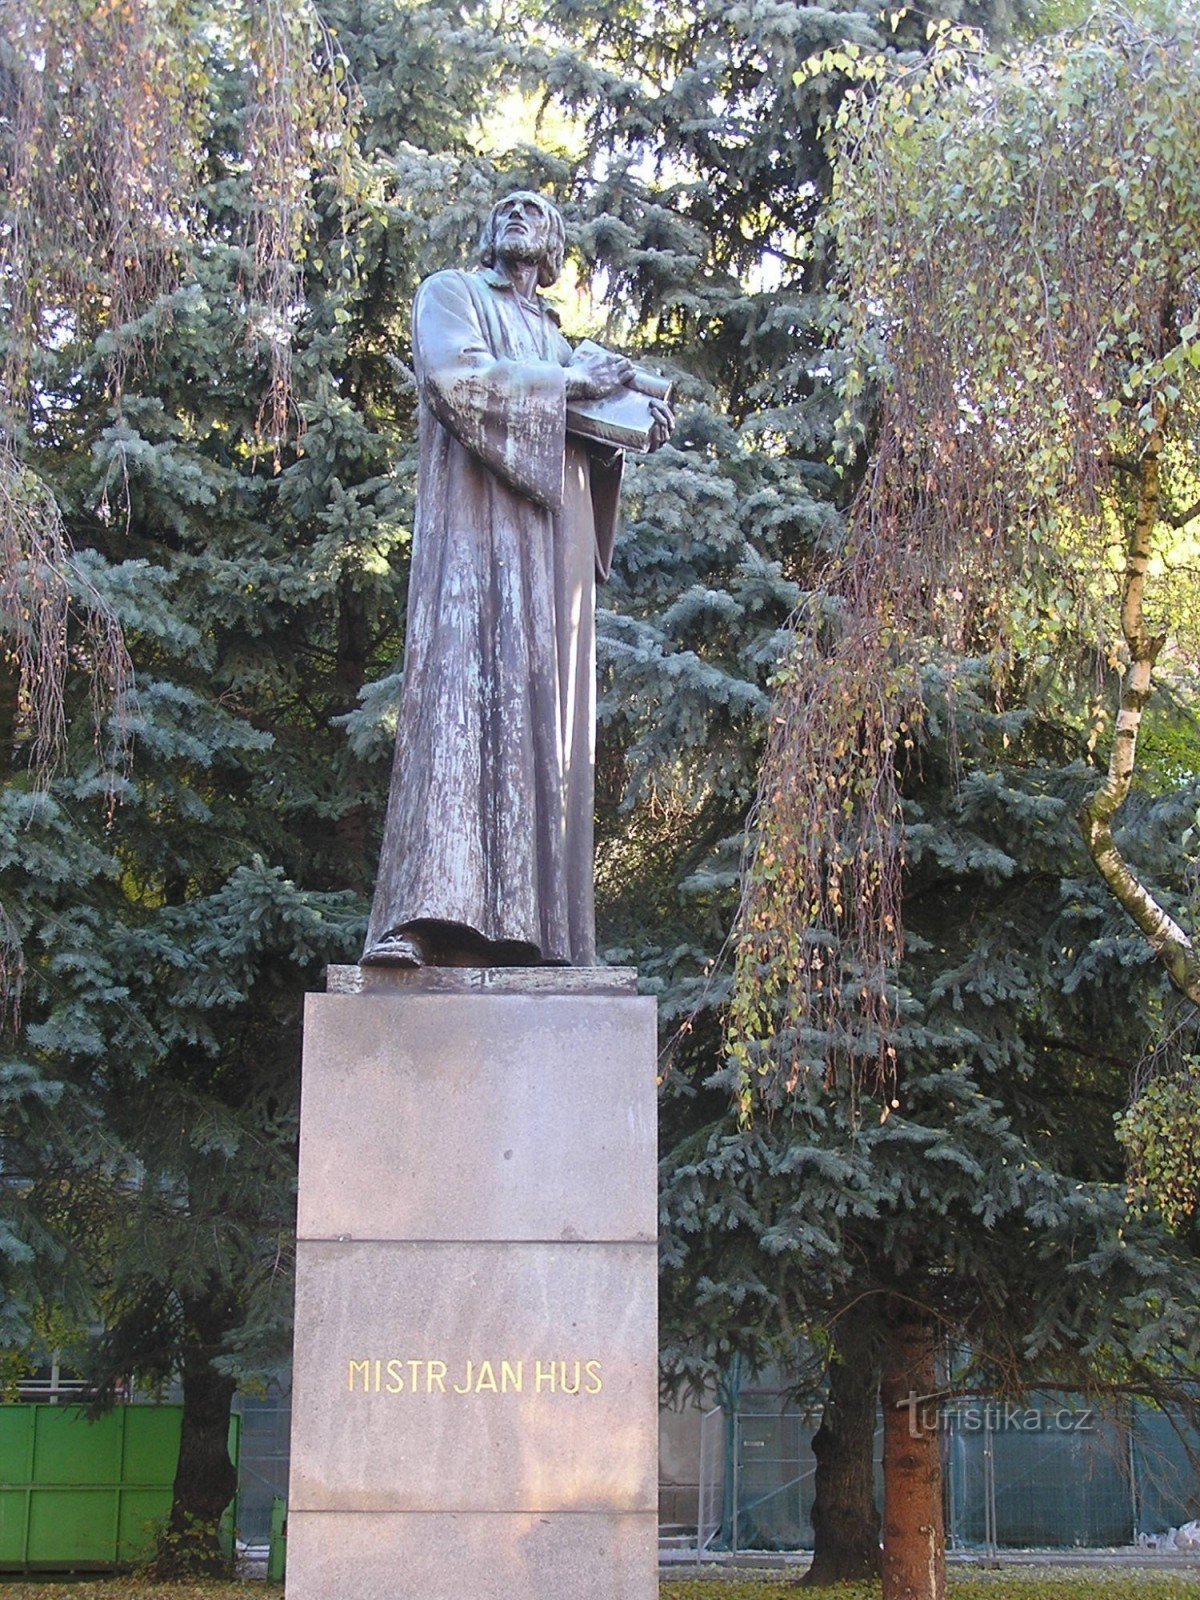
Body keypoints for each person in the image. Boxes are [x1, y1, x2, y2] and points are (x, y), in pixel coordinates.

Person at [361, 191, 673, 968]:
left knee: (546, 719)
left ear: (554, 244)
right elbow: (455, 380)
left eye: (535, 210)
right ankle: (424, 919)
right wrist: (576, 385)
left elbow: (581, 440)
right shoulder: (452, 294)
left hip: (547, 557)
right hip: (472, 545)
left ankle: (547, 937)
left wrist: (625, 435)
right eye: (506, 207)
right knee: (459, 704)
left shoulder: (559, 342)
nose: (517, 214)